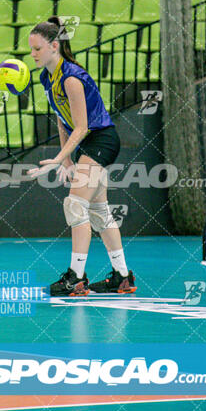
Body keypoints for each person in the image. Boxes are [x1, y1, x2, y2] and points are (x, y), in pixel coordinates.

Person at [27, 16, 137, 296]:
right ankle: (122, 277)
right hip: (88, 143)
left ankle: (75, 278)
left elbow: (82, 126)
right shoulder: (46, 77)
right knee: (100, 213)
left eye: (37, 49)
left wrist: (57, 158)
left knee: (75, 205)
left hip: (101, 139)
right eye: (31, 49)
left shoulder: (72, 77)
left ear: (54, 46)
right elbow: (62, 120)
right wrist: (65, 160)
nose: (33, 54)